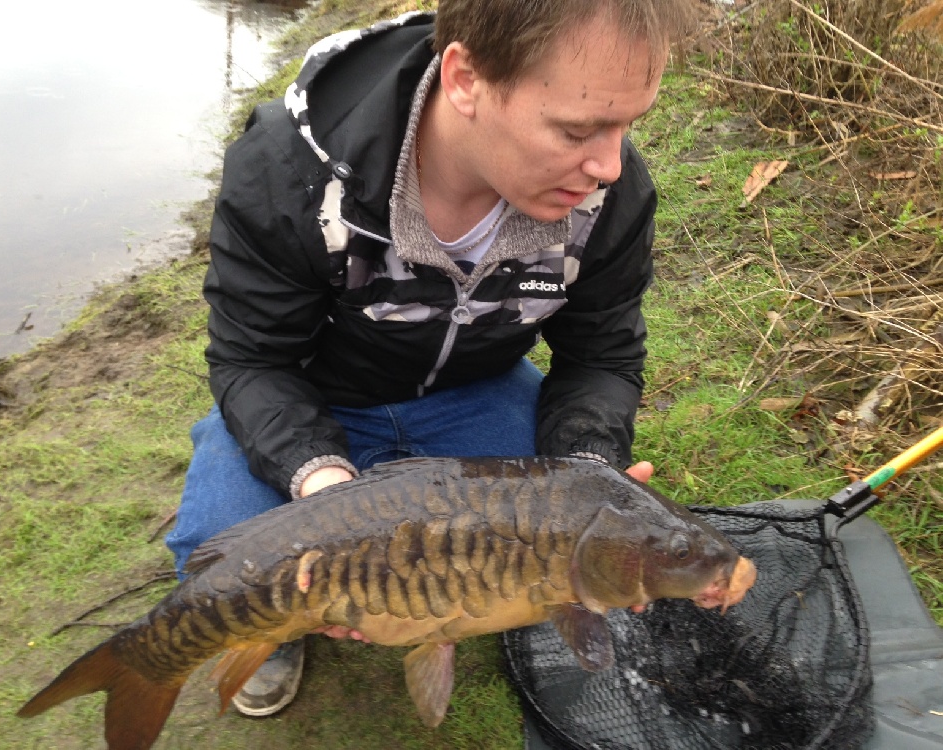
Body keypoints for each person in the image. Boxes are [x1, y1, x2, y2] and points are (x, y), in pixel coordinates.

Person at [165, 0, 697, 719]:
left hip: (475, 389)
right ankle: (272, 627)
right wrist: (326, 494)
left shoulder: (612, 194)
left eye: (627, 125)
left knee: (566, 545)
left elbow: (601, 358)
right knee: (221, 549)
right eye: (577, 130)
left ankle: (462, 603)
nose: (607, 165)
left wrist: (586, 467)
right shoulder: (289, 170)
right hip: (317, 395)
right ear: (465, 79)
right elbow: (251, 363)